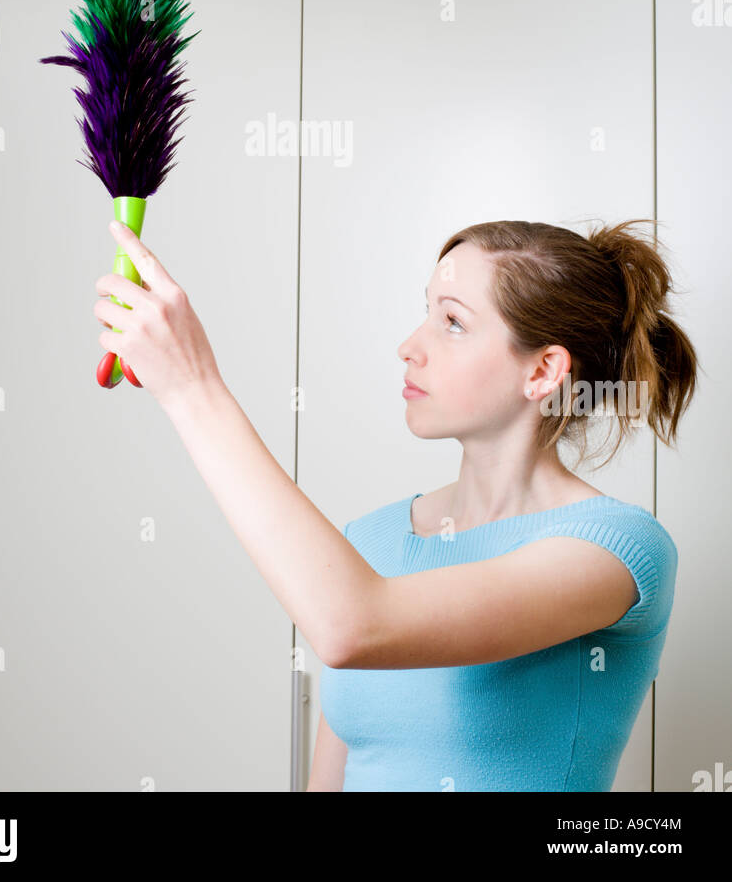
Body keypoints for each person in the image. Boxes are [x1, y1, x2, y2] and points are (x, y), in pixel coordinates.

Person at [94, 215, 698, 794]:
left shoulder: (614, 550)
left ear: (543, 370)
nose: (410, 346)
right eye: (425, 314)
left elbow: (353, 625)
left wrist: (193, 389)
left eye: (453, 323)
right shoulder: (371, 542)